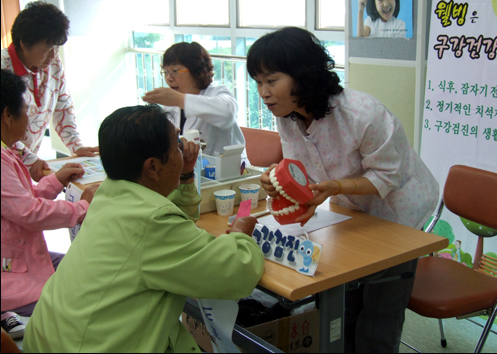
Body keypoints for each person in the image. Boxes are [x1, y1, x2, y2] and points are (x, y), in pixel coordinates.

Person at [247, 27, 439, 353]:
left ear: (302, 75)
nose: (263, 92)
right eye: (258, 82)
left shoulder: (363, 114)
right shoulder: (289, 117)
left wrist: (335, 186)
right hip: (351, 211)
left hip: (399, 213)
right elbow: (300, 174)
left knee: (380, 310)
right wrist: (278, 184)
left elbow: (388, 175)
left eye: (271, 80)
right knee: (344, 300)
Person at [24, 104, 265, 352]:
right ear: (152, 167)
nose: (182, 153)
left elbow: (175, 220)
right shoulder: (153, 221)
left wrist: (185, 175)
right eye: (177, 148)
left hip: (51, 338)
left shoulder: (108, 194)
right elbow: (237, 271)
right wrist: (240, 233)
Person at [1, 69, 98, 321]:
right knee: (81, 304)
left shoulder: (7, 152)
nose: (30, 119)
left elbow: (18, 198)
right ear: (8, 116)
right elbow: (28, 212)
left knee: (82, 268)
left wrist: (55, 179)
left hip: (22, 255)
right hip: (10, 275)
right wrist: (82, 207)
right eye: (26, 111)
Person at [1, 1, 98, 182]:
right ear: (24, 43)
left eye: (56, 48)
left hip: (27, 160)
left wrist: (76, 146)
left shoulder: (52, 65)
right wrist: (29, 159)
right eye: (47, 49)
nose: (53, 56)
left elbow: (63, 105)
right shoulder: (3, 68)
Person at [142, 42, 248, 162]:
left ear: (197, 71)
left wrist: (179, 99)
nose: (169, 78)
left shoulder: (218, 93)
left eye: (175, 71)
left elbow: (227, 114)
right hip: (190, 170)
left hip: (228, 171)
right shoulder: (171, 105)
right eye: (165, 72)